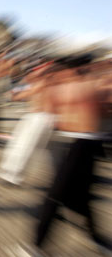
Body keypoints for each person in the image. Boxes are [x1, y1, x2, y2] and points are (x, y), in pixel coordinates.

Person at [35, 55, 112, 253]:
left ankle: (93, 237)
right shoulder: (91, 86)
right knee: (58, 194)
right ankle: (37, 244)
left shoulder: (59, 87)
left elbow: (49, 113)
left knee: (78, 195)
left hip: (71, 141)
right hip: (79, 143)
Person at [0, 64, 55, 185]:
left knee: (25, 147)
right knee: (18, 146)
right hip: (34, 117)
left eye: (30, 73)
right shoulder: (37, 84)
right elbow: (22, 94)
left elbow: (22, 94)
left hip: (41, 118)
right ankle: (8, 173)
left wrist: (15, 93)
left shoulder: (44, 82)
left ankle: (13, 176)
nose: (27, 76)